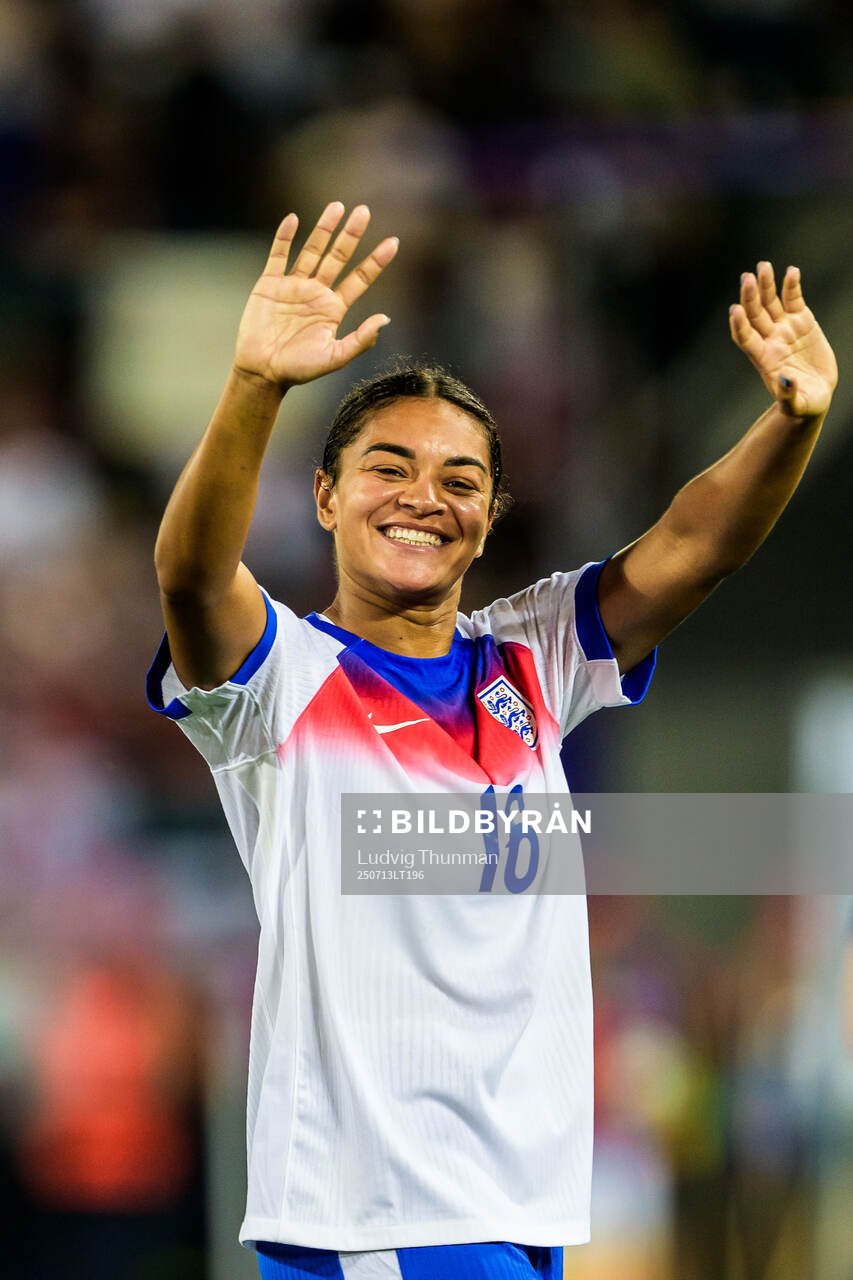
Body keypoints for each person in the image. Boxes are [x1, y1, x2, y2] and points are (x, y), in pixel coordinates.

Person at [147, 202, 837, 1279]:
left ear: (491, 510)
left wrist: (791, 419)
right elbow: (190, 574)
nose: (425, 496)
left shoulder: (530, 659)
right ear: (325, 495)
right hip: (377, 1210)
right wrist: (254, 390)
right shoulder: (280, 680)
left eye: (460, 478)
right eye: (387, 466)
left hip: (521, 1203)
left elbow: (695, 545)